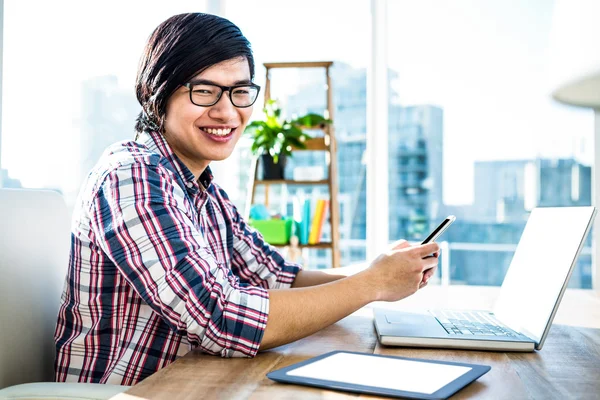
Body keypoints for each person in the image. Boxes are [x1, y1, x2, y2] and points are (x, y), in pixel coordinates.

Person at [54, 12, 439, 386]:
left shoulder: (202, 189)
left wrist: (380, 269)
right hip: (128, 393)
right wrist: (372, 284)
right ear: (156, 93)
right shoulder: (133, 176)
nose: (227, 112)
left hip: (198, 384)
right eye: (204, 91)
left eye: (240, 92)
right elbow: (221, 320)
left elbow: (281, 279)